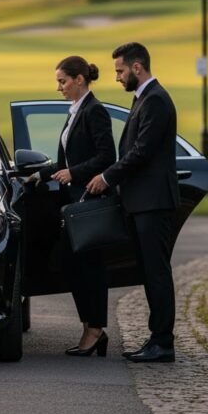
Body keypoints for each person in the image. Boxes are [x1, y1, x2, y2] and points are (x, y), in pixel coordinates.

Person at [87, 42, 179, 363]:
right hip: (141, 203)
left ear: (137, 68)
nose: (117, 77)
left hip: (153, 203)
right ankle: (157, 339)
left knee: (156, 272)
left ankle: (163, 343)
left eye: (120, 71)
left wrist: (107, 177)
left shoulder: (156, 101)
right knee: (149, 272)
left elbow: (141, 152)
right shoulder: (145, 99)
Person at [29, 55, 116, 357]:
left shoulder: (95, 112)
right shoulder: (76, 112)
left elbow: (107, 157)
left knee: (89, 268)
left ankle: (94, 330)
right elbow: (66, 160)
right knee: (73, 266)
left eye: (62, 81)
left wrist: (74, 173)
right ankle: (91, 329)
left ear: (79, 80)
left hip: (88, 203)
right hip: (73, 204)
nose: (59, 87)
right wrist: (39, 173)